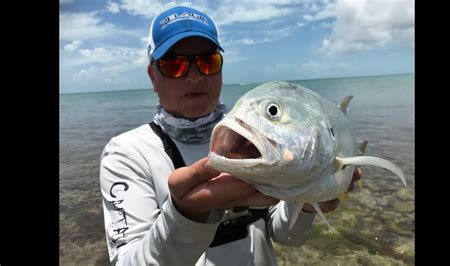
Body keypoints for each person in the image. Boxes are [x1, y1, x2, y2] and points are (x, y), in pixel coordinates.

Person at [100, 6, 362, 266]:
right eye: (174, 65)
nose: (194, 77)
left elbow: (286, 236)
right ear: (152, 76)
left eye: (207, 62)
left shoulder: (252, 143)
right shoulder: (126, 154)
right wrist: (186, 215)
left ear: (220, 69)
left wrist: (306, 202)